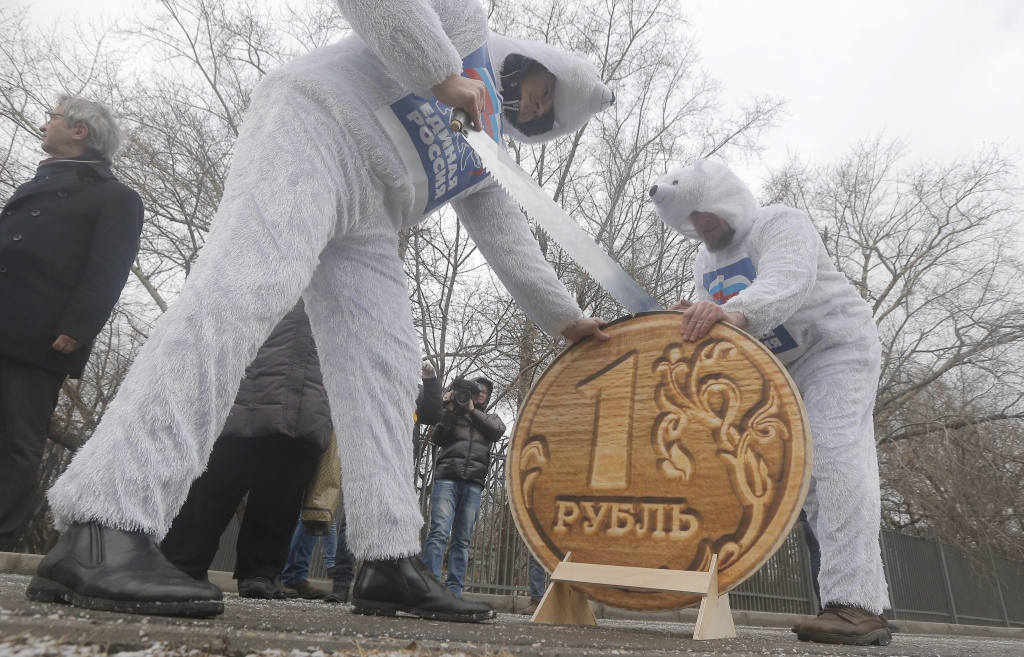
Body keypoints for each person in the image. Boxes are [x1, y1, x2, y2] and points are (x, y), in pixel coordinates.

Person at [30, 0, 612, 622]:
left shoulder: (483, 146)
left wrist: (564, 319)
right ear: (528, 62)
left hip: (372, 213)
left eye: (544, 114)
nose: (533, 107)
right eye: (539, 90)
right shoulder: (464, 27)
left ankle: (389, 559)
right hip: (312, 125)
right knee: (241, 294)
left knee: (386, 369)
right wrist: (443, 74)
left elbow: (507, 236)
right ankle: (104, 520)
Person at [649, 160, 891, 646]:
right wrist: (696, 320)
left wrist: (732, 312)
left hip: (835, 347)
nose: (699, 224)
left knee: (833, 455)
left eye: (703, 211)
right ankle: (867, 596)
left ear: (723, 195)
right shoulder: (705, 263)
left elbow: (788, 280)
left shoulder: (779, 223)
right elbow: (717, 319)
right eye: (689, 219)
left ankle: (856, 606)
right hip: (780, 369)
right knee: (801, 478)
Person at [0, 96, 142, 551]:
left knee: (17, 440)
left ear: (80, 131)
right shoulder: (32, 184)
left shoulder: (116, 197)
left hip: (36, 334)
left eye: (53, 117)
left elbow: (109, 269)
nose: (44, 124)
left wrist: (79, 327)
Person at [159, 301, 331, 600]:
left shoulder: (341, 282)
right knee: (215, 483)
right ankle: (182, 565)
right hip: (246, 390)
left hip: (308, 399)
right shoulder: (264, 265)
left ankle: (261, 574)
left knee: (281, 495)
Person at [422, 377, 503, 595]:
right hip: (447, 478)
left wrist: (471, 411)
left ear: (488, 396)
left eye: (484, 391)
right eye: (476, 390)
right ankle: (430, 587)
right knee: (439, 532)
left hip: (474, 483)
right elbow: (437, 438)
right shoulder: (453, 415)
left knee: (462, 539)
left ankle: (454, 589)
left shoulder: (491, 418)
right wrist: (449, 409)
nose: (480, 394)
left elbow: (497, 431)